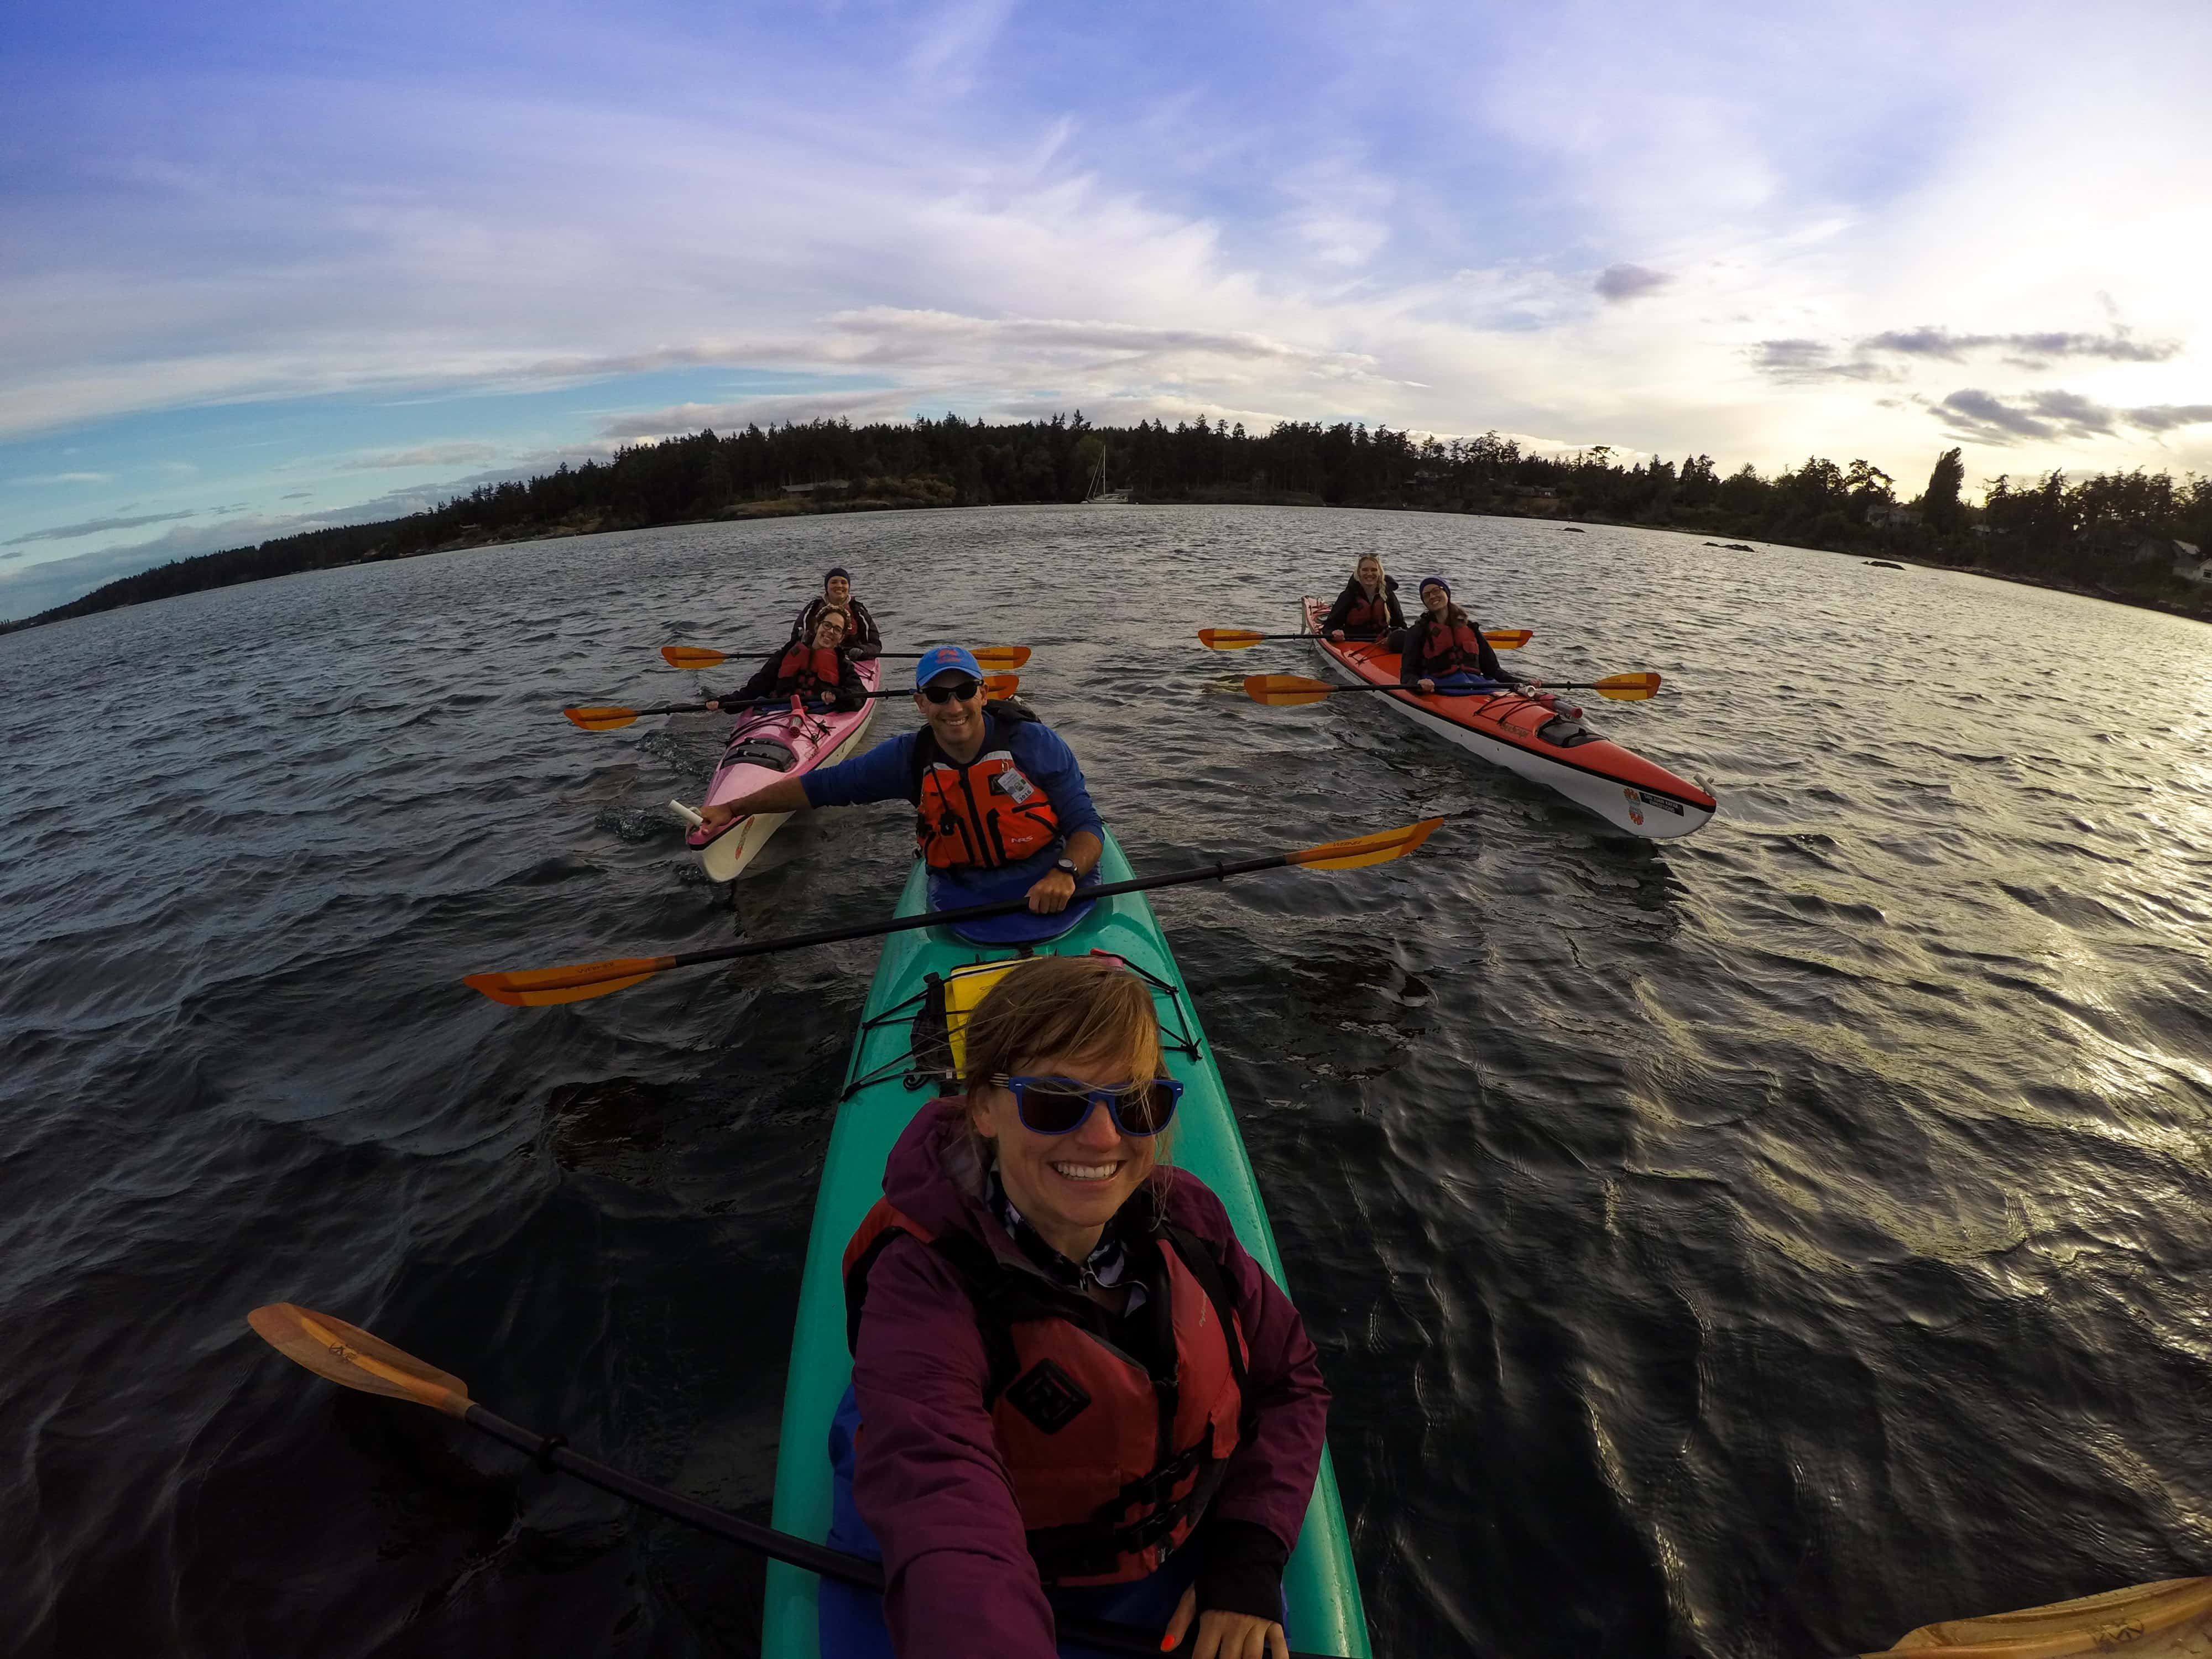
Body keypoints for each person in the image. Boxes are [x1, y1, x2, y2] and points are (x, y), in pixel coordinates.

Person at [822, 954, 1327, 1659]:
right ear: (984, 1108)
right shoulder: (922, 1289)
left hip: (1176, 1560)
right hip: (1017, 1583)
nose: (1102, 1138)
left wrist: (1244, 1554)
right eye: (1056, 1101)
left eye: (1138, 1102)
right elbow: (940, 1499)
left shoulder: (1188, 1222)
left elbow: (1292, 1378)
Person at [692, 645, 1102, 916]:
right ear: (921, 703)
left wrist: (1065, 871)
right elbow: (817, 787)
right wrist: (734, 807)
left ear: (983, 695)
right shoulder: (908, 758)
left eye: (964, 691)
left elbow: (1085, 824)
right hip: (961, 897)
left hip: (1050, 884)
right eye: (939, 696)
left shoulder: (1032, 743)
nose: (953, 706)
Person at [706, 609, 867, 714]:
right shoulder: (786, 654)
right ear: (818, 625)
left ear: (841, 637)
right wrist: (724, 702)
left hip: (818, 713)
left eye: (837, 629)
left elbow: (859, 695)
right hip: (777, 711)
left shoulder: (841, 663)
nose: (830, 632)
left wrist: (837, 695)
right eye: (827, 625)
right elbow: (756, 687)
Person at [1399, 575, 1515, 696]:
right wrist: (1418, 683)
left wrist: (1519, 683)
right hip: (1442, 687)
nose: (1432, 596)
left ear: (1446, 593)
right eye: (1427, 595)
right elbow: (1407, 673)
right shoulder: (1418, 631)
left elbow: (1493, 669)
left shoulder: (1470, 628)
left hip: (1479, 685)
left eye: (1436, 591)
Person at [791, 566, 883, 660]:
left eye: (844, 583)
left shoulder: (858, 611)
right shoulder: (812, 609)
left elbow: (875, 644)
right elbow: (796, 636)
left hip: (851, 659)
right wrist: (803, 641)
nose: (839, 586)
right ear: (827, 587)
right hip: (817, 656)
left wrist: (862, 651)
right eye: (834, 582)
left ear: (848, 587)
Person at [1320, 553, 1404, 643]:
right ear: (1359, 573)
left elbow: (1401, 626)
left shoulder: (1388, 595)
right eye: (1365, 570)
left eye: (1374, 570)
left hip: (1382, 644)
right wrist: (1334, 633)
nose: (1370, 574)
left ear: (1380, 573)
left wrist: (1395, 639)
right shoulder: (1348, 595)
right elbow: (1328, 627)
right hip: (1352, 643)